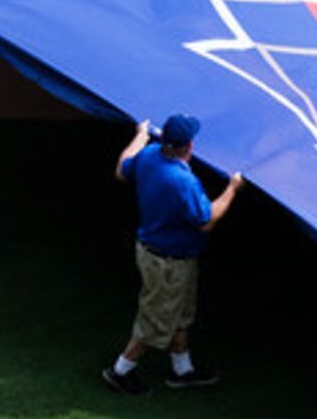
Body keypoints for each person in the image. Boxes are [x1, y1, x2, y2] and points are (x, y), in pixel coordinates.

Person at [104, 114, 244, 395]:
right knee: (155, 319)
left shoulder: (150, 155)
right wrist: (232, 189)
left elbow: (122, 169)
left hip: (158, 254)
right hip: (168, 263)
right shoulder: (181, 181)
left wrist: (140, 136)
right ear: (189, 146)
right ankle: (120, 371)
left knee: (179, 314)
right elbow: (206, 221)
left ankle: (183, 370)